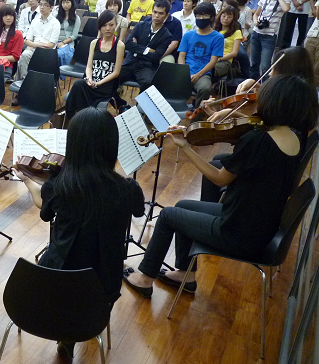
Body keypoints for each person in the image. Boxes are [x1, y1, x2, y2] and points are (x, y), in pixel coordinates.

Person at [123, 74, 318, 299]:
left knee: (168, 216)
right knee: (183, 205)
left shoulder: (258, 142)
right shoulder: (294, 138)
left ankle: (145, 278)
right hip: (257, 225)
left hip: (238, 232)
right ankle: (185, 274)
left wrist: (185, 147)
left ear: (273, 102)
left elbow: (219, 178)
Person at [17, 106, 145, 357]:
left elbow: (44, 210)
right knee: (88, 290)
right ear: (111, 146)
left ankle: (65, 333)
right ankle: (73, 331)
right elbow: (139, 211)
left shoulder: (59, 185)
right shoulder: (128, 189)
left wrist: (29, 182)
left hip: (51, 282)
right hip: (102, 290)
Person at [65, 10, 123, 119]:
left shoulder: (119, 45)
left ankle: (82, 119)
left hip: (105, 86)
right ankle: (74, 118)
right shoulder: (94, 43)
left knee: (78, 90)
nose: (108, 28)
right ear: (100, 26)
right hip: (92, 82)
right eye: (104, 25)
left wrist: (99, 83)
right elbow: (89, 66)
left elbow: (116, 72)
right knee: (78, 85)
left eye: (111, 25)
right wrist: (89, 79)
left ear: (116, 25)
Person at [119, 0, 173, 92]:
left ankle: (138, 106)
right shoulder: (140, 25)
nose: (156, 16)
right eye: (155, 12)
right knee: (112, 77)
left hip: (146, 67)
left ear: (166, 15)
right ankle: (119, 102)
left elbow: (156, 56)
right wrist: (148, 50)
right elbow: (128, 44)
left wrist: (136, 47)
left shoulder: (167, 36)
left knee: (148, 83)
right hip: (130, 62)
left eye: (160, 13)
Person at [177, 2, 225, 108]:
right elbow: (181, 56)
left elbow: (213, 61)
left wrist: (198, 75)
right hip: (185, 71)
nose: (201, 18)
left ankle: (196, 118)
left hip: (203, 74)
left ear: (212, 17)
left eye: (205, 15)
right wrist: (183, 72)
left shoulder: (218, 37)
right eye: (198, 15)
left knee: (205, 88)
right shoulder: (188, 35)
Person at [250, 0, 291, 79]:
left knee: (265, 66)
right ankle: (252, 87)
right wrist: (255, 21)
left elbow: (286, 9)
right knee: (254, 63)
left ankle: (264, 89)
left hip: (269, 36)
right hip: (256, 33)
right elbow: (256, 14)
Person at [16, 0, 60, 80]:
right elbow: (27, 41)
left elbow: (51, 45)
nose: (42, 7)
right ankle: (24, 82)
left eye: (45, 5)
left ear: (51, 7)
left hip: (47, 52)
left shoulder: (55, 23)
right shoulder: (35, 21)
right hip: (33, 50)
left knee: (28, 54)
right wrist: (34, 45)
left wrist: (33, 45)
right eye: (41, 4)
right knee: (24, 55)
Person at [213, 6, 243, 79]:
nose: (226, 18)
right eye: (224, 16)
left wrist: (219, 59)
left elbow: (234, 53)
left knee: (210, 69)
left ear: (233, 19)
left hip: (225, 61)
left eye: (229, 17)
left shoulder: (236, 32)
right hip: (212, 58)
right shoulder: (214, 31)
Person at [55, 0, 81, 68]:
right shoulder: (57, 16)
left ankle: (60, 74)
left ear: (72, 3)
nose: (65, 5)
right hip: (55, 41)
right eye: (63, 2)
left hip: (67, 43)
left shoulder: (76, 18)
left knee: (59, 54)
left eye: (67, 2)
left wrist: (63, 42)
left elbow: (74, 35)